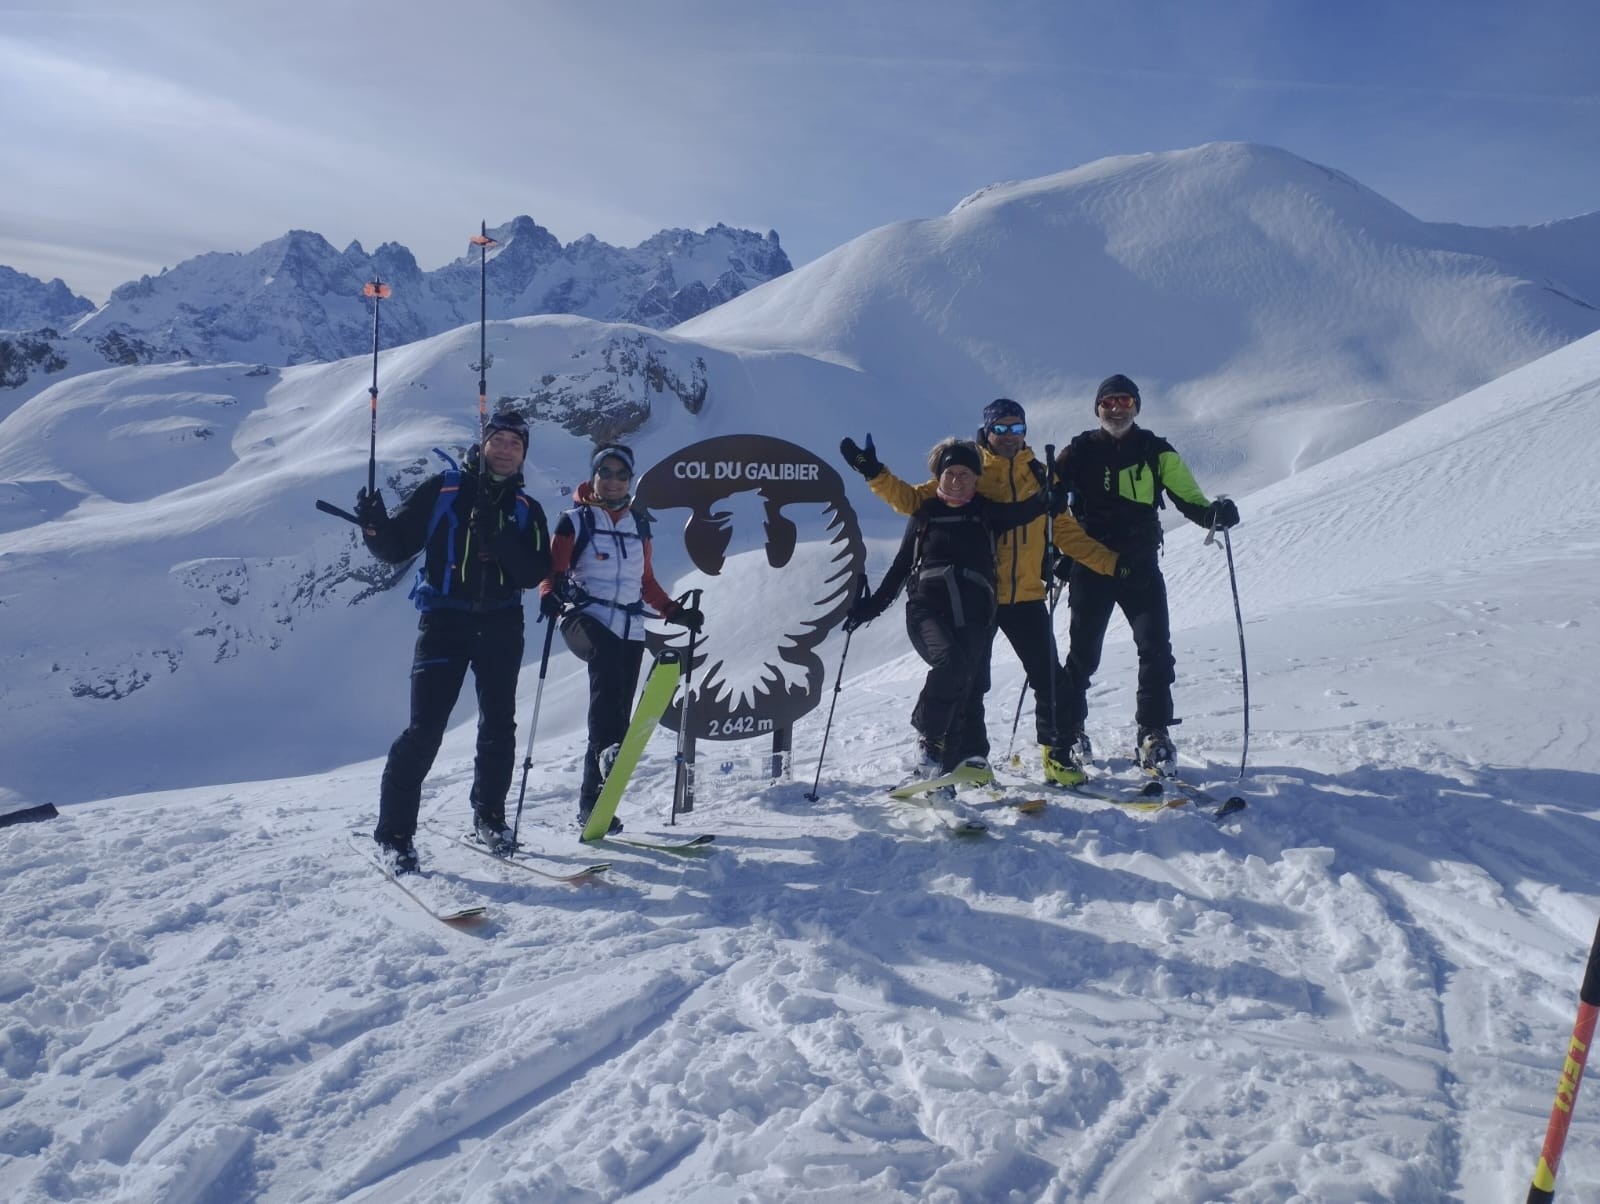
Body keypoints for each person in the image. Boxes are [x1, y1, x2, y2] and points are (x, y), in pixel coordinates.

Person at [840, 399, 1121, 787]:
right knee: (971, 681)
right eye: (1000, 429)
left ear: (1025, 431)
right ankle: (970, 758)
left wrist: (1111, 563)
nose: (1008, 436)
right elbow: (915, 501)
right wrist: (874, 473)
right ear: (987, 431)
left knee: (1051, 678)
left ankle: (1056, 753)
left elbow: (1066, 532)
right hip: (979, 597)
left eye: (1016, 428)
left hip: (1025, 594)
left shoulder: (1040, 475)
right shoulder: (971, 469)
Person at [355, 409, 552, 872]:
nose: (505, 450)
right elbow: (395, 548)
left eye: (515, 444)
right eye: (498, 440)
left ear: (523, 455)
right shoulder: (444, 489)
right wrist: (374, 527)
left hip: (503, 624)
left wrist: (497, 538)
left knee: (499, 725)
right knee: (424, 731)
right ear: (483, 444)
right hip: (444, 621)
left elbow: (535, 571)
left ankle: (489, 816)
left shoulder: (526, 510)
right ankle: (395, 834)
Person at [1053, 374, 1240, 773]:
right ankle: (1069, 732)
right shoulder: (1079, 451)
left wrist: (1214, 515)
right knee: (1083, 656)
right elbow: (1048, 502)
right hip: (1091, 563)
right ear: (1098, 408)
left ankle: (1153, 733)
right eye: (1109, 402)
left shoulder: (1156, 451)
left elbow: (1189, 499)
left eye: (1125, 401)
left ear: (1136, 407)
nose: (1117, 409)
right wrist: (1054, 549)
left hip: (1139, 565)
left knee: (1155, 648)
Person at [842, 438, 1050, 788]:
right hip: (927, 611)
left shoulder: (987, 511)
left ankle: (968, 761)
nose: (957, 480)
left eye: (965, 474)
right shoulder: (926, 513)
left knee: (971, 684)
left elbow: (1027, 510)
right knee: (952, 665)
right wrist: (870, 608)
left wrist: (1051, 494)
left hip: (975, 613)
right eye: (950, 473)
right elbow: (899, 568)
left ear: (976, 477)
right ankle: (931, 743)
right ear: (939, 475)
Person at [539, 445, 703, 833]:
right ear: (594, 476)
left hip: (629, 626)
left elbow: (644, 582)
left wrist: (674, 612)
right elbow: (553, 569)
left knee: (615, 706)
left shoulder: (638, 525)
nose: (613, 480)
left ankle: (593, 805)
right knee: (606, 666)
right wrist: (549, 593)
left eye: (621, 474)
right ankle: (609, 751)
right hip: (583, 619)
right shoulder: (574, 522)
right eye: (606, 472)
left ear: (630, 479)